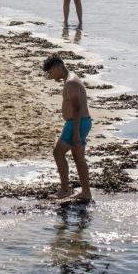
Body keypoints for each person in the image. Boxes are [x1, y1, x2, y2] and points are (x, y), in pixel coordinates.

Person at [43, 53, 92, 203]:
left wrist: (76, 133)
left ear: (58, 67)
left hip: (76, 123)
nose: (51, 76)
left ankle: (65, 190)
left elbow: (76, 109)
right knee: (78, 158)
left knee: (58, 153)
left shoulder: (70, 82)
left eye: (51, 72)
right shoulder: (71, 79)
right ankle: (85, 192)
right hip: (80, 122)